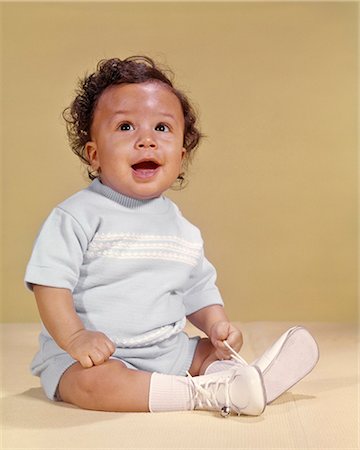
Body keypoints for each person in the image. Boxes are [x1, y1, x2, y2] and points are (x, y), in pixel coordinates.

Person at [25, 56, 318, 416]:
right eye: (126, 127)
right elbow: (49, 284)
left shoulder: (183, 231)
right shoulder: (77, 216)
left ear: (180, 156)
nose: (146, 140)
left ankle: (233, 377)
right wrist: (74, 337)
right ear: (94, 154)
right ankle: (207, 393)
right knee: (94, 385)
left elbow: (198, 291)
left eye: (162, 129)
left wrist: (217, 326)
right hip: (91, 358)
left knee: (207, 353)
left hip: (167, 350)